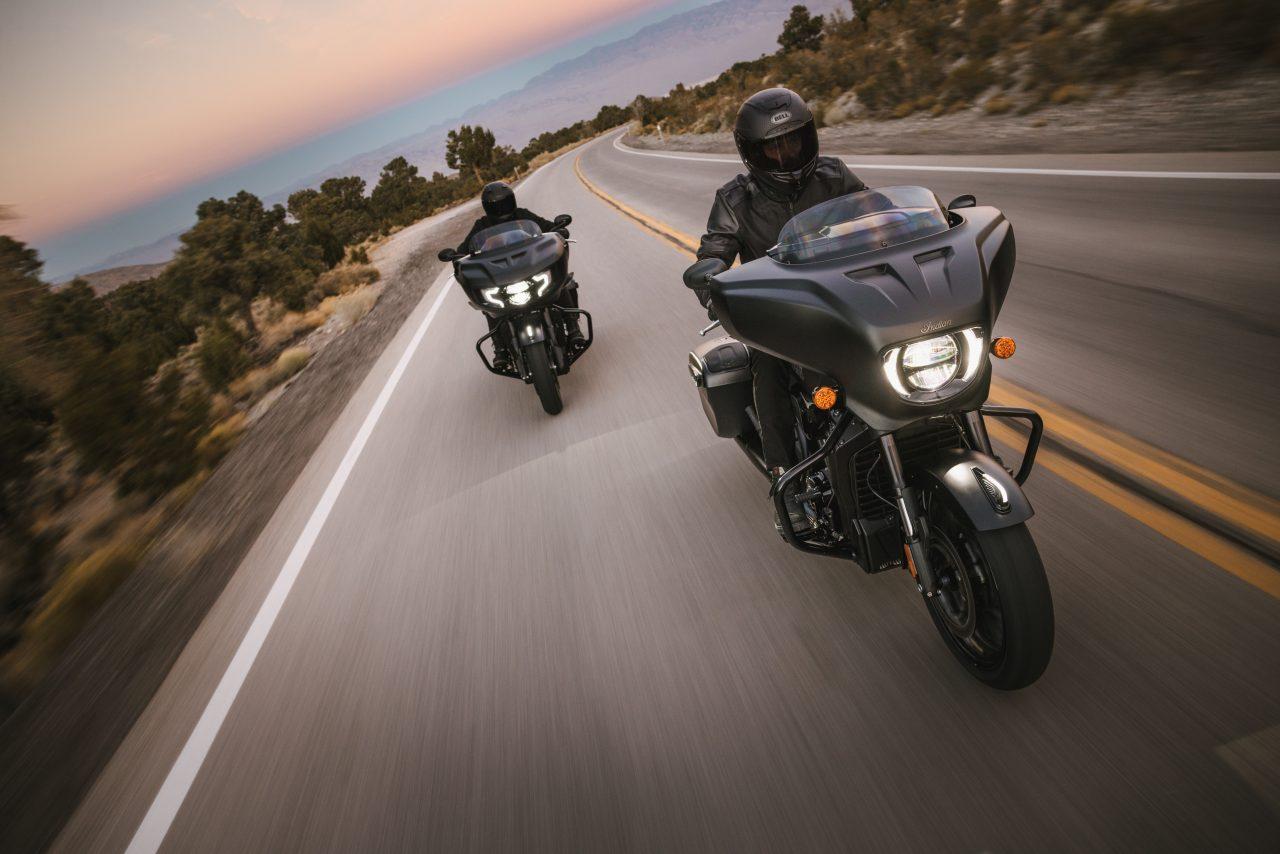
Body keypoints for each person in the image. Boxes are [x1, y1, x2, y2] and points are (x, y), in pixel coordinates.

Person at [690, 87, 866, 531]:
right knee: (766, 367)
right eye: (774, 147)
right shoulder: (736, 200)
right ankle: (786, 478)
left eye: (793, 140)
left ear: (809, 136)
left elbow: (876, 213)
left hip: (848, 297)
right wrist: (712, 282)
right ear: (753, 153)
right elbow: (715, 247)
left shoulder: (834, 175)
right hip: (781, 314)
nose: (786, 154)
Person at [458, 181, 584, 368]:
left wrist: (558, 229)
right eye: (496, 205)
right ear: (487, 207)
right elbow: (463, 250)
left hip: (529, 269)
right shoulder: (481, 225)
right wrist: (456, 257)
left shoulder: (523, 215)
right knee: (489, 307)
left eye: (504, 202)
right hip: (502, 276)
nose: (501, 208)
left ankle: (573, 329)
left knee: (561, 282)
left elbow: (547, 227)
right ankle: (500, 349)